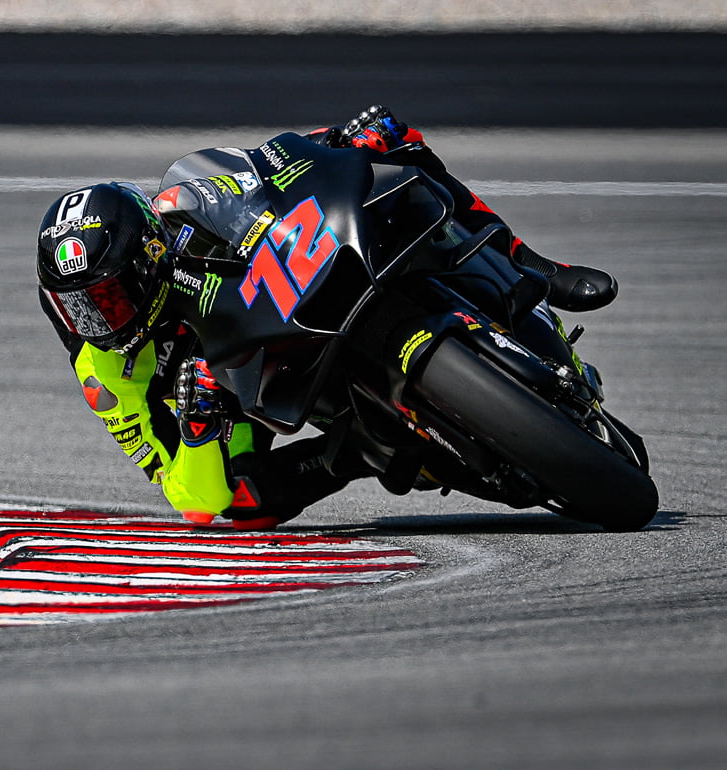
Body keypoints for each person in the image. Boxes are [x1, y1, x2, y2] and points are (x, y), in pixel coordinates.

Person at [36, 106, 618, 530]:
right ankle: (358, 452)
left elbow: (267, 168)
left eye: (108, 297)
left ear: (148, 256)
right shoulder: (104, 372)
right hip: (242, 391)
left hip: (287, 288)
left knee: (396, 145)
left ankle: (531, 264)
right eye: (77, 307)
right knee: (244, 504)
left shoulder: (184, 209)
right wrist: (196, 422)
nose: (99, 321)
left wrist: (342, 138)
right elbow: (192, 501)